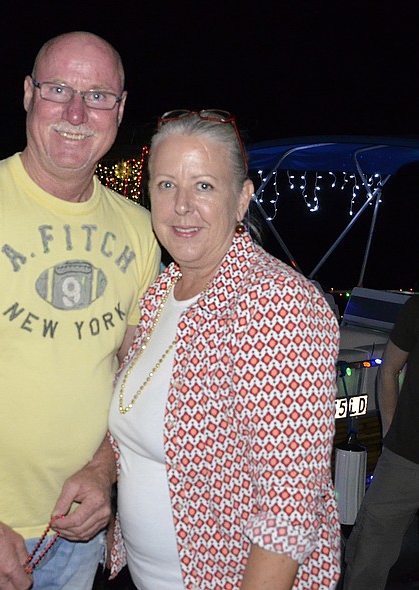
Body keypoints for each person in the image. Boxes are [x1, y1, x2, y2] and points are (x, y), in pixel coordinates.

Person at [0, 31, 160, 590]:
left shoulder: (140, 230)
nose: (75, 112)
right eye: (58, 89)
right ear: (26, 94)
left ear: (121, 108)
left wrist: (101, 471)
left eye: (98, 96)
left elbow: (129, 384)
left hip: (77, 535)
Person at [107, 110, 341, 589]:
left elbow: (290, 505)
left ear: (243, 199)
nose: (182, 206)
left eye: (205, 186)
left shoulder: (274, 302)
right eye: (166, 185)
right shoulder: (160, 294)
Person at [343, 295, 419, 588]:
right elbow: (388, 370)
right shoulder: (416, 308)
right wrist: (390, 436)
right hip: (405, 458)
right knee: (368, 556)